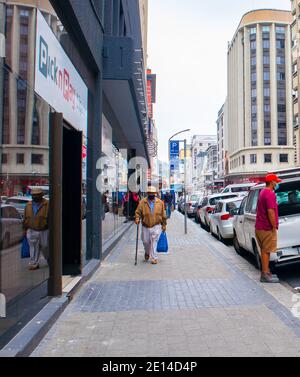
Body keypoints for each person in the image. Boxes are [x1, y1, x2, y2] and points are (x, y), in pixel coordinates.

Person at [255, 174, 282, 284]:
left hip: (260, 227)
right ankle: (265, 274)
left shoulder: (262, 192)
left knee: (264, 250)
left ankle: (266, 272)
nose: (277, 183)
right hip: (266, 227)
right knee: (266, 251)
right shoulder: (270, 194)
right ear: (272, 182)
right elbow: (270, 211)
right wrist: (274, 225)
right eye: (276, 182)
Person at [135, 186, 167, 265]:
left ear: (155, 194)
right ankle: (147, 252)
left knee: (154, 241)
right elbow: (138, 212)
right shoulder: (142, 202)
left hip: (156, 225)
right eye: (150, 193)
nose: (151, 195)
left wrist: (164, 224)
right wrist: (137, 218)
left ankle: (154, 257)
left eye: (153, 193)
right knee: (146, 241)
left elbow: (163, 214)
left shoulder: (160, 203)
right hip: (145, 225)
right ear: (147, 193)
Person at [23, 188, 49, 271]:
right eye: (34, 195)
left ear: (41, 195)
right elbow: (25, 217)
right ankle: (34, 263)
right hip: (32, 229)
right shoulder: (28, 205)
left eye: (37, 195)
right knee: (33, 247)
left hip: (44, 229)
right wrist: (25, 229)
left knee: (45, 246)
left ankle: (49, 258)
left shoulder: (47, 204)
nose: (35, 197)